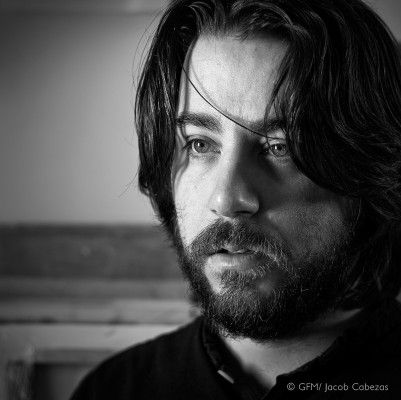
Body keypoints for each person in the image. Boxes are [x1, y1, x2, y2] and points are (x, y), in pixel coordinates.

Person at [71, 0, 401, 398]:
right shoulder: (114, 390)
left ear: (371, 173)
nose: (226, 199)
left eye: (282, 147)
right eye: (199, 144)